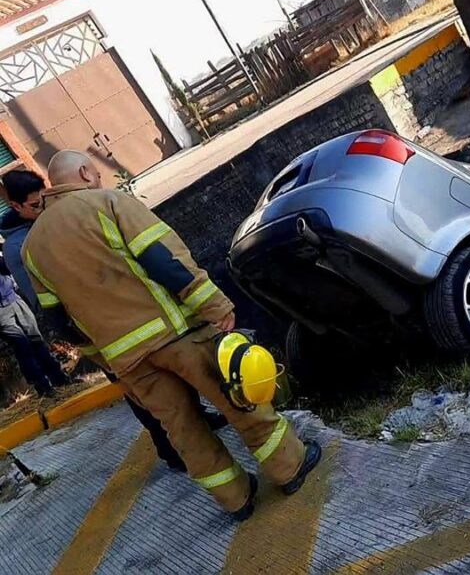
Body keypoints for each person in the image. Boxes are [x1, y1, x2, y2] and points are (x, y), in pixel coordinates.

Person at [24, 151, 320, 519]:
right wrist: (213, 303)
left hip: (130, 362)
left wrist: (105, 358)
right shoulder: (105, 203)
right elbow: (164, 259)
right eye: (96, 172)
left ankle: (235, 499)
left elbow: (58, 320)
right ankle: (289, 466)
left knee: (183, 430)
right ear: (84, 172)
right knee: (239, 401)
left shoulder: (32, 248)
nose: (98, 178)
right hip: (178, 334)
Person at [1, 169, 230, 471]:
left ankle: (198, 423)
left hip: (121, 323)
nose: (41, 206)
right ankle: (170, 450)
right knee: (146, 401)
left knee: (171, 392)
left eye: (44, 198)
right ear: (16, 207)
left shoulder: (54, 222)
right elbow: (53, 306)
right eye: (33, 205)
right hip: (101, 335)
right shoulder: (22, 248)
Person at [0, 249, 69, 397]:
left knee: (36, 341)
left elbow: (5, 267)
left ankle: (59, 379)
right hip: (2, 311)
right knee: (23, 346)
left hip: (14, 299)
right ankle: (43, 387)